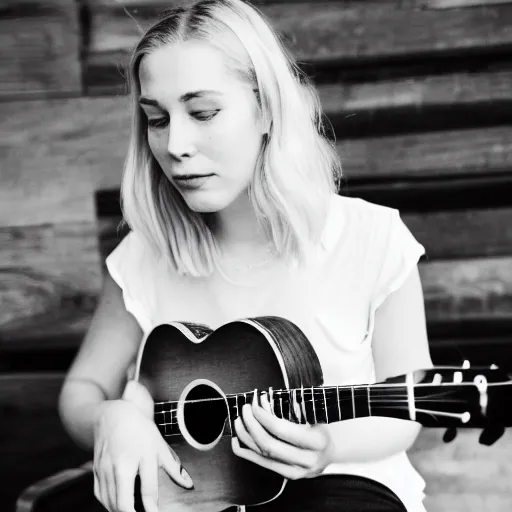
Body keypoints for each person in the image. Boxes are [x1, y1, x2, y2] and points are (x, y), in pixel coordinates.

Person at [58, 1, 434, 511]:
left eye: (203, 112)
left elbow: (407, 407)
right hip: (193, 494)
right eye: (156, 119)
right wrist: (111, 419)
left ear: (266, 110)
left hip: (340, 488)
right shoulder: (144, 254)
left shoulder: (372, 238)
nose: (176, 145)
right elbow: (83, 388)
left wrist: (328, 448)